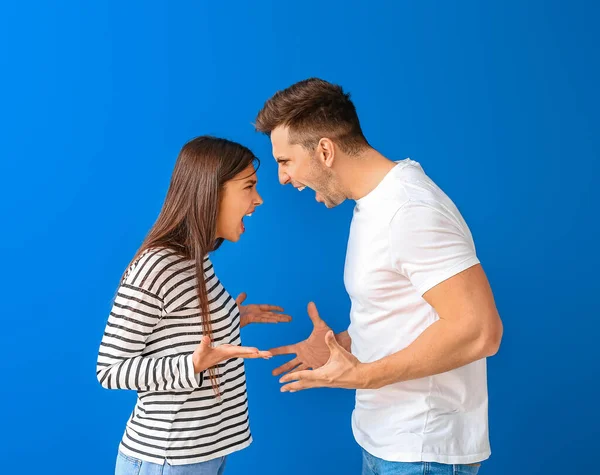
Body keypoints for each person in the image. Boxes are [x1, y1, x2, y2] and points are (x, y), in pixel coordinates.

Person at [255, 78, 503, 474]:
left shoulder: (410, 209)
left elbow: (479, 330)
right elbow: (406, 316)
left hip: (421, 451)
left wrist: (365, 375)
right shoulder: (373, 205)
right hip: (386, 442)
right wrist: (342, 344)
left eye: (285, 162)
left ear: (324, 150)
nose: (283, 178)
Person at [96, 136, 291, 475]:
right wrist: (192, 365)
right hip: (165, 460)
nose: (258, 200)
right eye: (248, 187)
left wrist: (233, 317)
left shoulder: (196, 259)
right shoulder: (157, 266)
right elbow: (110, 369)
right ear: (212, 192)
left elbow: (182, 329)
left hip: (203, 454)